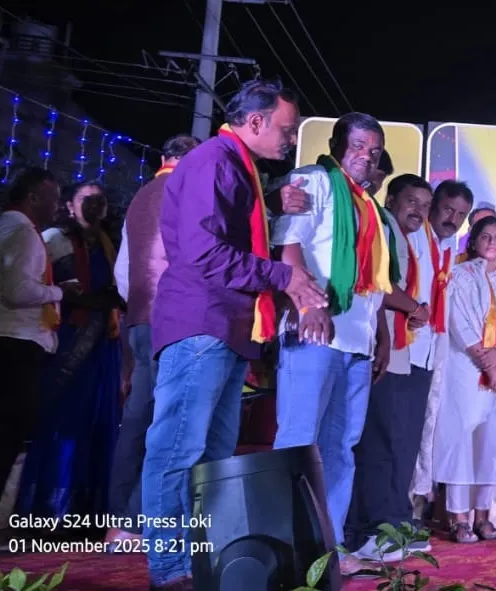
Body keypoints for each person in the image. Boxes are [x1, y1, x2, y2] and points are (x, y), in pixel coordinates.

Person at [140, 79, 326, 591]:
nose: (291, 139)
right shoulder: (213, 161)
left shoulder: (236, 166)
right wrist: (285, 276)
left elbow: (231, 232)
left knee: (212, 460)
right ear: (256, 121)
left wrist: (270, 205)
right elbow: (205, 252)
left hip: (226, 326)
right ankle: (170, 568)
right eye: (287, 129)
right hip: (201, 323)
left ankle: (198, 563)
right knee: (177, 451)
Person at [270, 112, 393, 563]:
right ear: (337, 144)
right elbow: (288, 245)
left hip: (356, 342)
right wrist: (308, 305)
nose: (367, 157)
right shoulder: (314, 181)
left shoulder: (370, 207)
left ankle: (329, 547)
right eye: (358, 146)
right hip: (314, 335)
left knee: (341, 449)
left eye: (374, 151)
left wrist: (381, 337)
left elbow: (374, 284)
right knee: (299, 441)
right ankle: (286, 549)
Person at [107, 134, 202, 547]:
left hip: (139, 320)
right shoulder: (190, 191)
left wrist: (139, 304)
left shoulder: (140, 196)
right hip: (176, 320)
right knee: (171, 422)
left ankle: (117, 520)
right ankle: (140, 519)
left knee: (137, 418)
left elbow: (123, 272)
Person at [15, 181, 123, 527]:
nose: (94, 205)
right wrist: (81, 298)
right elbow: (33, 287)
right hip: (67, 342)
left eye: (100, 200)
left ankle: (88, 511)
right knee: (62, 422)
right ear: (71, 207)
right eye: (86, 199)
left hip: (103, 346)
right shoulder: (53, 240)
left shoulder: (110, 244)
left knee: (99, 424)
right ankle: (51, 510)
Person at [0, 168, 65, 550]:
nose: (58, 206)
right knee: (2, 438)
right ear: (33, 197)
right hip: (12, 341)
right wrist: (59, 292)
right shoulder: (22, 232)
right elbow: (18, 290)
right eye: (54, 198)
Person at [346, 174, 434, 561]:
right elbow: (379, 287)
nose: (419, 211)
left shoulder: (401, 235)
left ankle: (379, 526)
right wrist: (414, 309)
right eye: (412, 201)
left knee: (388, 441)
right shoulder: (383, 227)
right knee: (376, 442)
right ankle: (367, 531)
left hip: (394, 347)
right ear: (392, 199)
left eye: (425, 206)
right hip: (377, 346)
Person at [431, 216, 496, 543]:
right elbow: (458, 323)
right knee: (461, 439)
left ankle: (482, 516)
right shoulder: (459, 275)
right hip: (464, 369)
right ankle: (458, 517)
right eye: (485, 236)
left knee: (493, 441)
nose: (491, 242)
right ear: (474, 241)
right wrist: (488, 366)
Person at [407, 180, 473, 522]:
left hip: (433, 351)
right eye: (448, 209)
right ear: (433, 205)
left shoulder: (448, 249)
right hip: (407, 348)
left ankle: (414, 508)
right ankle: (398, 511)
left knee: (425, 429)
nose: (453, 219)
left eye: (461, 214)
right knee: (403, 433)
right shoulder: (414, 238)